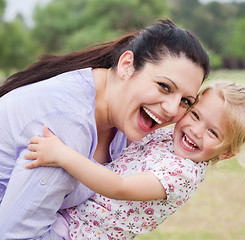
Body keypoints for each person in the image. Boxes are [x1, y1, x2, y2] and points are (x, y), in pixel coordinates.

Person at [0, 19, 210, 239]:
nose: (171, 109)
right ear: (127, 65)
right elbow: (15, 235)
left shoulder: (122, 118)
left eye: (186, 101)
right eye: (164, 86)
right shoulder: (67, 126)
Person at [24, 81, 245, 239]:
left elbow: (120, 187)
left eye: (213, 132)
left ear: (227, 152)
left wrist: (64, 155)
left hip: (80, 233)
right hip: (69, 213)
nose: (196, 131)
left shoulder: (182, 174)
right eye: (196, 115)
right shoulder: (170, 137)